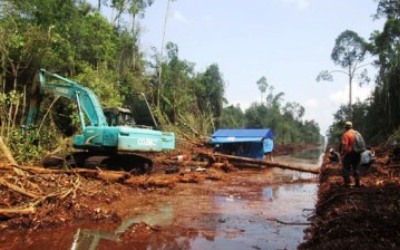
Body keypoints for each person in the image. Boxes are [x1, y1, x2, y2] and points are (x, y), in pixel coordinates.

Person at [340, 121, 362, 187]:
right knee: (356, 168)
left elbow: (345, 146)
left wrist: (342, 154)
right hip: (358, 153)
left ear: (345, 127)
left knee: (346, 168)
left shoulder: (346, 134)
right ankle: (357, 183)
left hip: (349, 154)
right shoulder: (357, 133)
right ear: (352, 126)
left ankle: (347, 184)